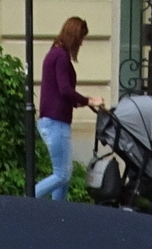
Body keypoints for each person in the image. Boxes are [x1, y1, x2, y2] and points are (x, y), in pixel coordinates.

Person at [36, 17, 100, 202]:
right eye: (81, 38)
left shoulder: (54, 53)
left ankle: (58, 214)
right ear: (74, 36)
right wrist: (89, 100)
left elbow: (60, 91)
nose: (81, 43)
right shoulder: (61, 56)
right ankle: (28, 200)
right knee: (62, 174)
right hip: (56, 121)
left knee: (63, 175)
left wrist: (81, 102)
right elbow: (65, 90)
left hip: (52, 120)